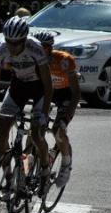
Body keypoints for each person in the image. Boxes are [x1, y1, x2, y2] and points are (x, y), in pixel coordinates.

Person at [0, 16, 53, 197]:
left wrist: (44, 115)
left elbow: (48, 85)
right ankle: (8, 178)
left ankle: (45, 170)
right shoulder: (0, 51)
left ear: (24, 39)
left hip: (38, 88)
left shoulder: (36, 48)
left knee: (37, 134)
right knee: (2, 133)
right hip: (18, 87)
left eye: (17, 43)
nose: (12, 47)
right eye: (9, 42)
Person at [33, 30, 80, 188]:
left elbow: (76, 93)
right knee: (34, 130)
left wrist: (66, 117)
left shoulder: (64, 60)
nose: (40, 51)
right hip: (47, 92)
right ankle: (31, 165)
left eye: (44, 48)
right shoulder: (35, 60)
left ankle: (66, 164)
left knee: (58, 131)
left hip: (65, 95)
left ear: (50, 47)